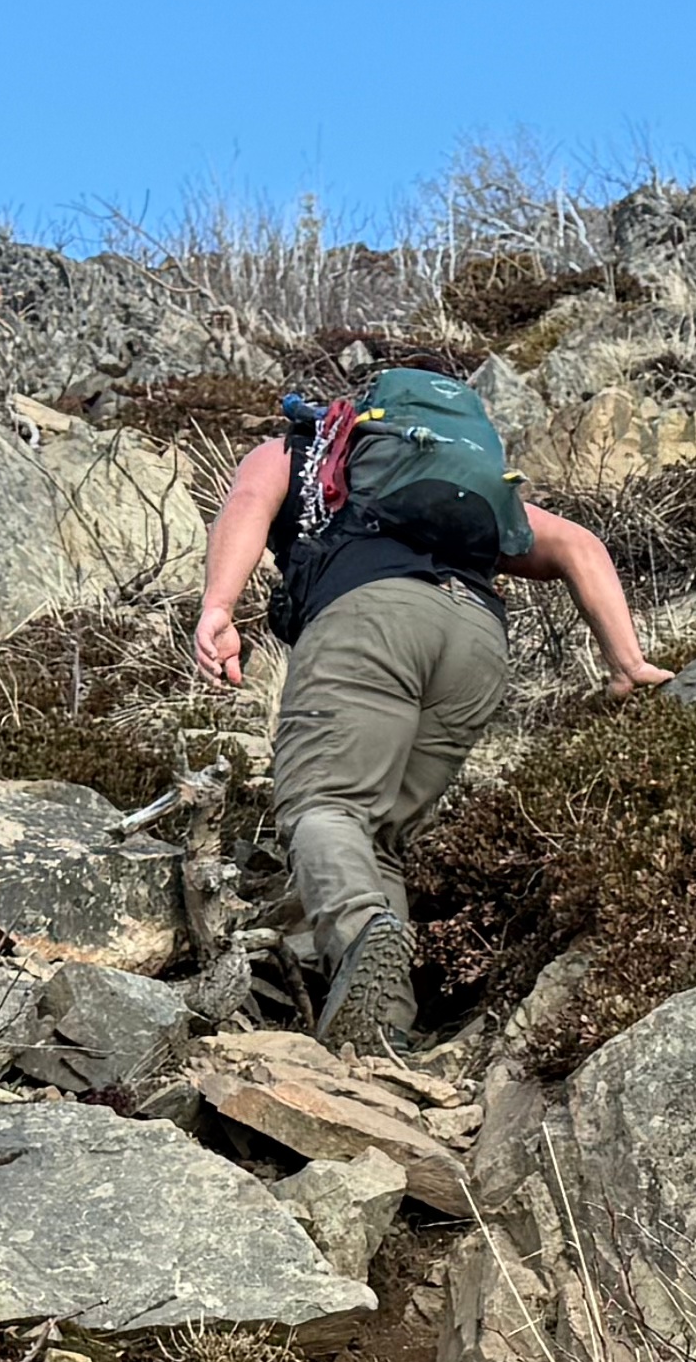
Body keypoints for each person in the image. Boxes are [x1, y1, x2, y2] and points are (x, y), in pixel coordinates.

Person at [193, 362, 665, 1051]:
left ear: (358, 411)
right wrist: (628, 663)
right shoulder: (464, 491)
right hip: (476, 644)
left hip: (373, 620)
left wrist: (218, 608)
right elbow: (578, 545)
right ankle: (383, 1034)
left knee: (323, 806)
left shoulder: (306, 452)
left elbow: (245, 503)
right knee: (377, 835)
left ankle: (360, 932)